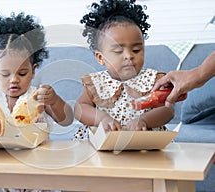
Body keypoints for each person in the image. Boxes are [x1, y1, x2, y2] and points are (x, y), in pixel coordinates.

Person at [0, 12, 73, 192]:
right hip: (1, 171)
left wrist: (55, 100)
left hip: (38, 170)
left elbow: (66, 119)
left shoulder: (39, 97)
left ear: (33, 70)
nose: (14, 80)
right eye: (5, 74)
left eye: (22, 73)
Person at [73, 0, 174, 139]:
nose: (129, 56)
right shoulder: (96, 83)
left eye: (136, 50)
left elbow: (167, 110)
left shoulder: (153, 80)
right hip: (105, 141)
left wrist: (143, 120)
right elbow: (79, 108)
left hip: (144, 142)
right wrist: (101, 118)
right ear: (100, 57)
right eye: (118, 51)